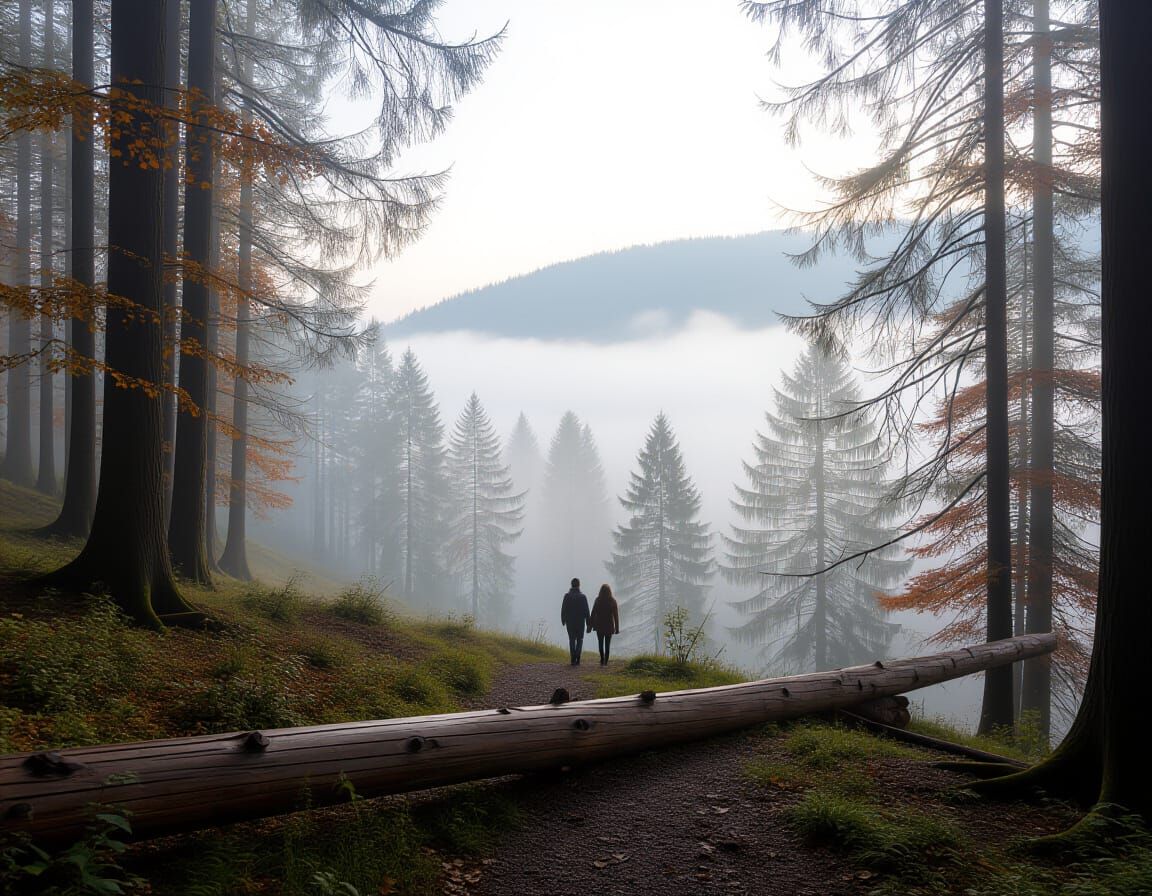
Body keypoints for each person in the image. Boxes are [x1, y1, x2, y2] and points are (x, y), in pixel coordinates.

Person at [560, 578, 590, 666]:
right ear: (579, 585)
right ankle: (578, 657)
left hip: (570, 622)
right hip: (580, 622)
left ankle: (573, 657)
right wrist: (588, 623)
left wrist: (563, 619)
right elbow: (586, 611)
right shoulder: (583, 597)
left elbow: (563, 609)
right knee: (580, 639)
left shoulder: (567, 596)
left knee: (572, 639)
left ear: (571, 585)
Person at [588, 584, 620, 666]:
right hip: (609, 626)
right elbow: (616, 616)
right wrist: (617, 628)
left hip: (599, 625)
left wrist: (590, 626)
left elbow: (593, 613)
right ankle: (606, 661)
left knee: (600, 643)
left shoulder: (598, 600)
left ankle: (602, 659)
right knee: (607, 644)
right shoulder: (613, 601)